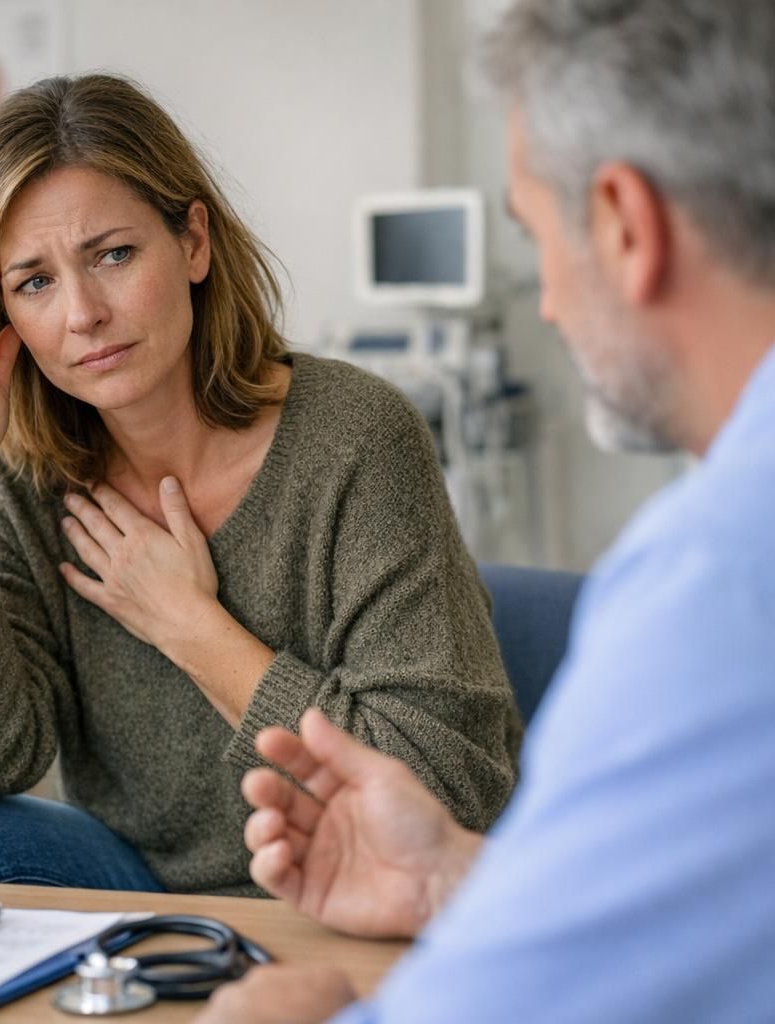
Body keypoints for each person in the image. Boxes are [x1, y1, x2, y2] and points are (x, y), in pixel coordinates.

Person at [193, 0, 775, 1020]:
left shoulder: (718, 578)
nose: (546, 300)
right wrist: (467, 881)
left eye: (535, 234)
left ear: (624, 225)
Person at [0, 74, 520, 896]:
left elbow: (442, 792)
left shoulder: (356, 438)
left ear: (193, 242)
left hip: (354, 889)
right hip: (140, 892)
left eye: (113, 255)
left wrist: (190, 626)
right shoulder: (27, 476)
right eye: (34, 283)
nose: (83, 313)